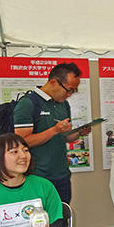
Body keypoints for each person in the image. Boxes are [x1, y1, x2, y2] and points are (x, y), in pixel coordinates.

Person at [13, 63, 90, 204]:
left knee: (61, 215)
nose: (70, 95)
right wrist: (55, 130)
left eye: (74, 91)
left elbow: (64, 137)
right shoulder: (28, 103)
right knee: (39, 216)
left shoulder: (63, 104)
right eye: (69, 90)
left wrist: (79, 133)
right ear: (54, 82)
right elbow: (22, 142)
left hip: (62, 176)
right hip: (37, 176)